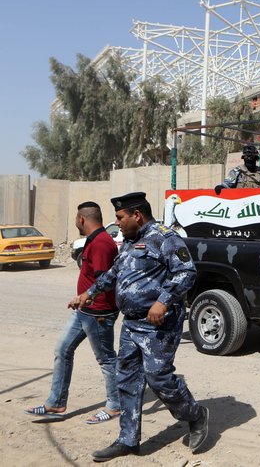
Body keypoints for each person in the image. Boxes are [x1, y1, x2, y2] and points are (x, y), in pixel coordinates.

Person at [72, 192, 209, 462]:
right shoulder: (130, 242)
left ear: (137, 215)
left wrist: (163, 300)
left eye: (120, 217)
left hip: (158, 324)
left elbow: (186, 272)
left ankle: (195, 415)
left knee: (158, 376)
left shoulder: (164, 237)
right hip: (132, 324)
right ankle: (128, 439)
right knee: (127, 380)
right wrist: (89, 293)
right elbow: (114, 273)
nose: (117, 223)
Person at [25, 201, 120, 423]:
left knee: (106, 359)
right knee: (63, 350)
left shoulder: (101, 244)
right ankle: (56, 402)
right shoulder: (95, 240)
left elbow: (104, 282)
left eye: (76, 219)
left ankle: (115, 405)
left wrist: (84, 297)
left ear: (81, 219)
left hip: (98, 313)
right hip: (84, 311)